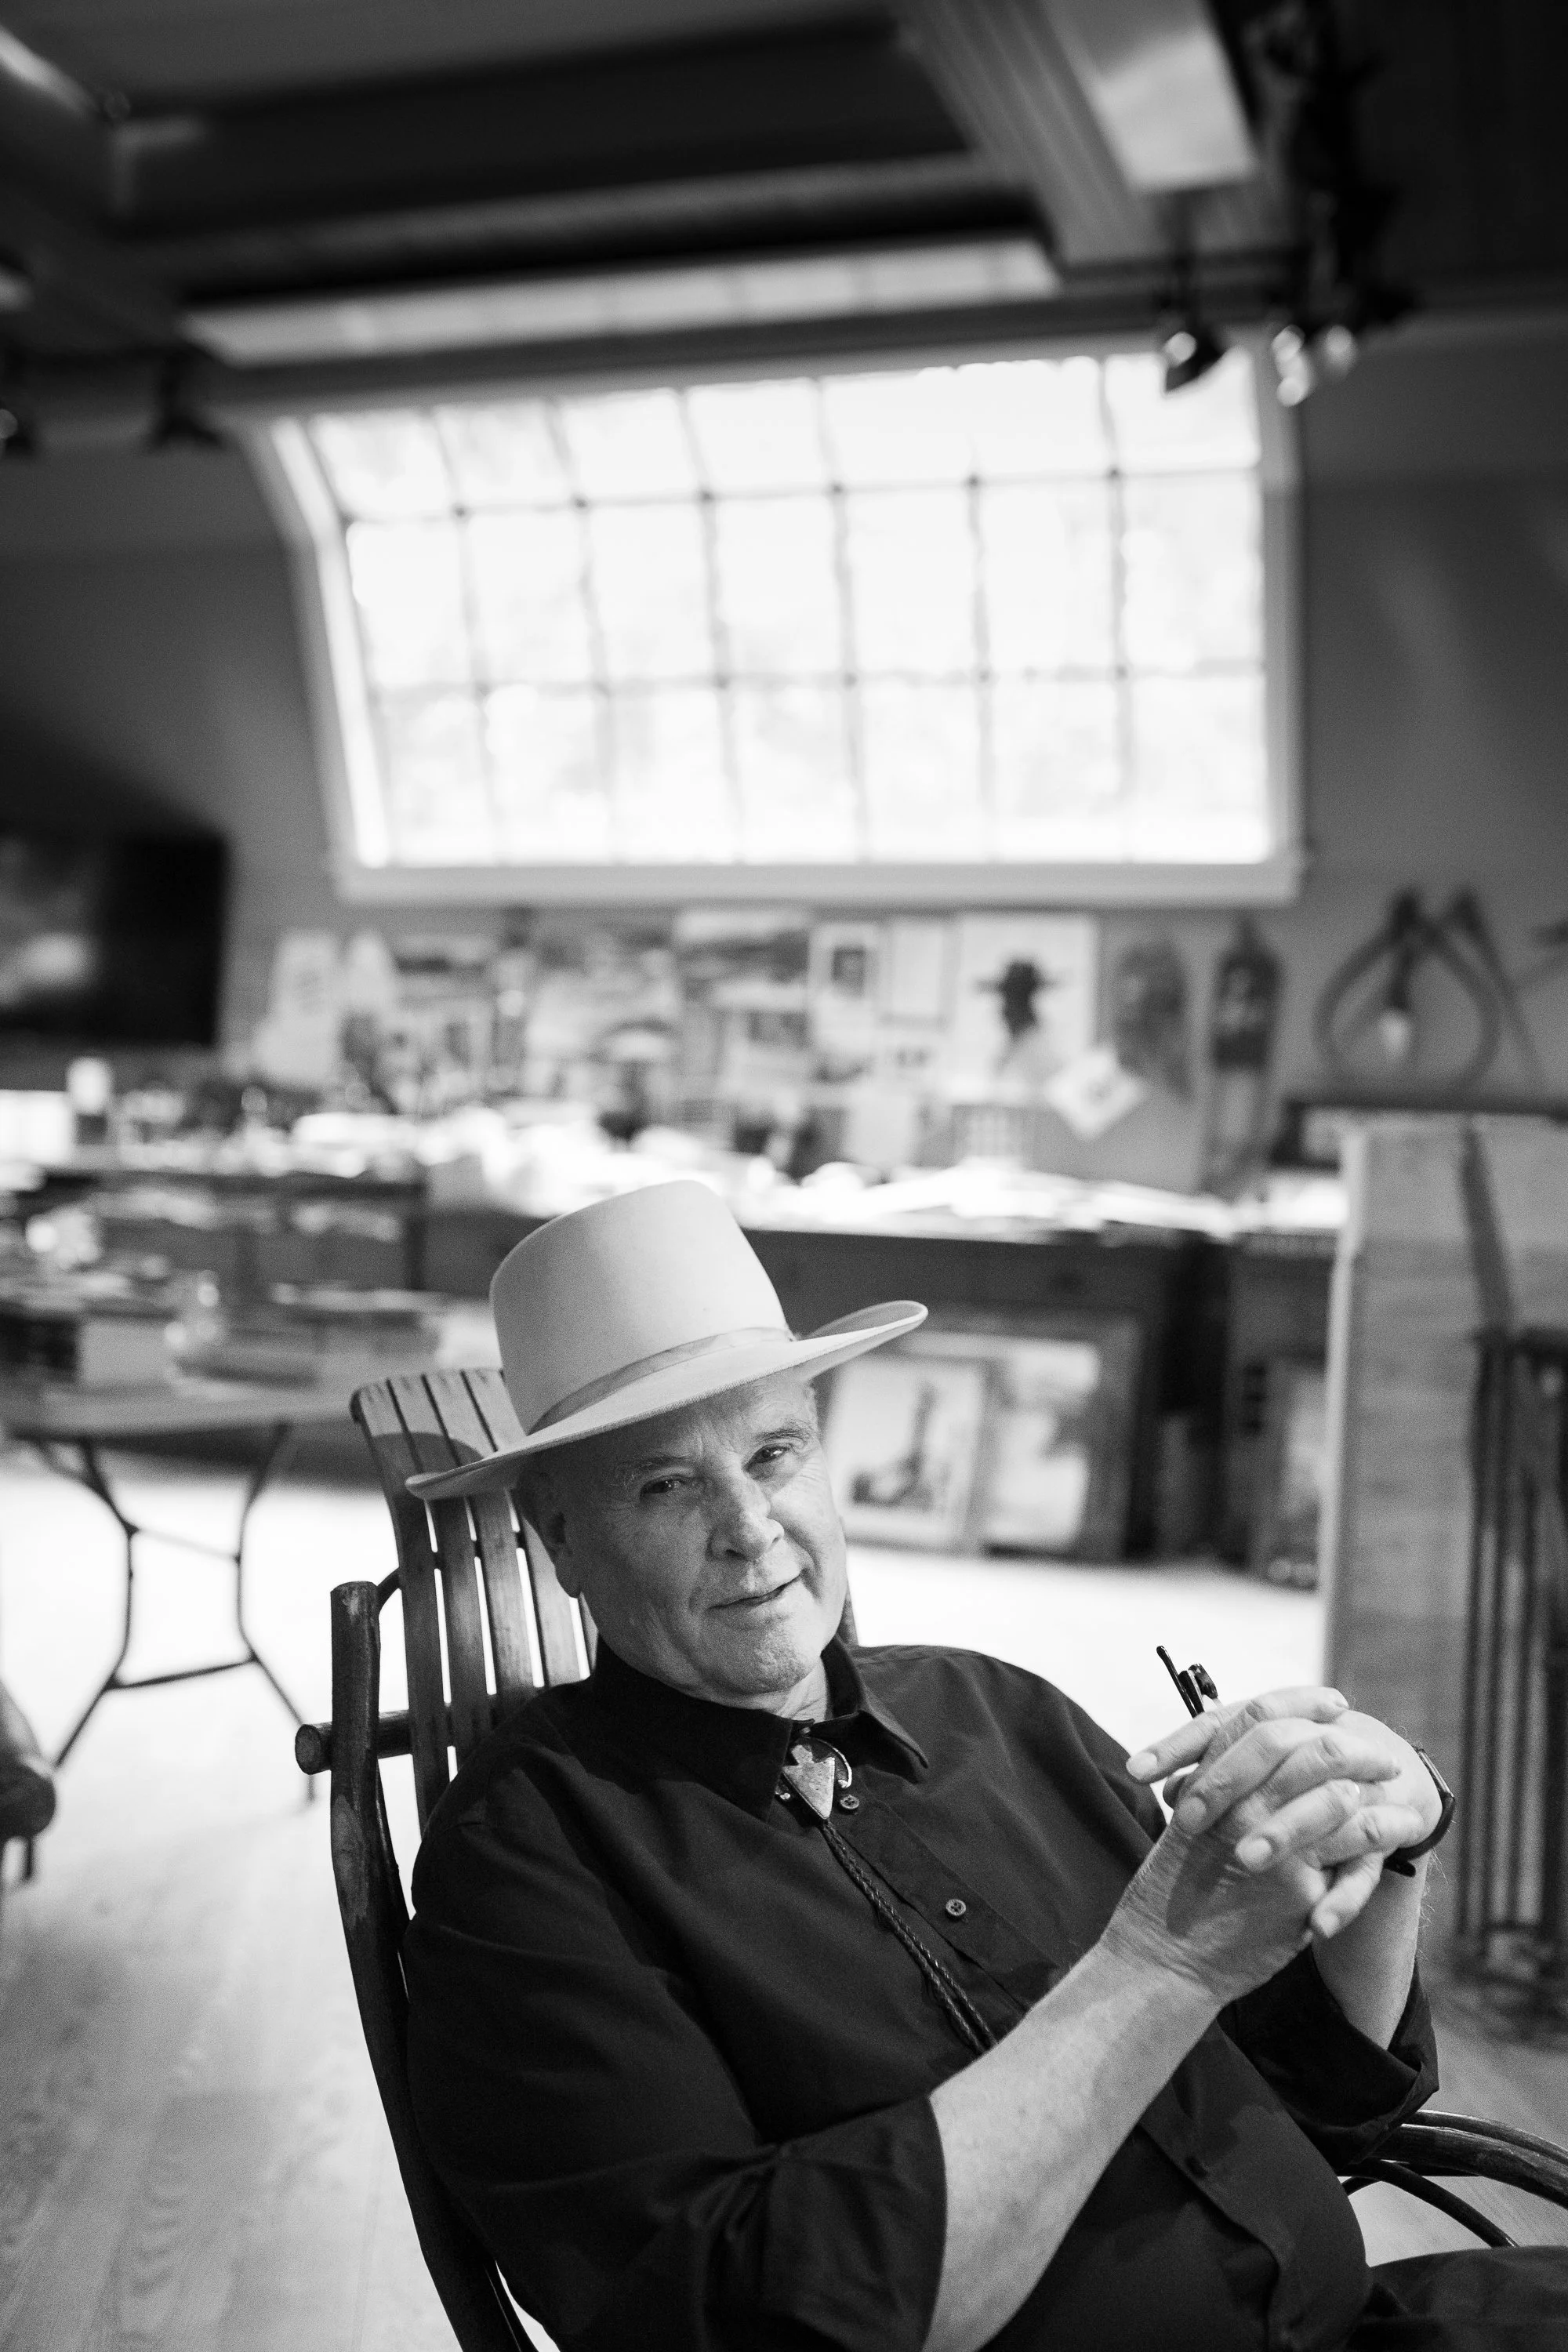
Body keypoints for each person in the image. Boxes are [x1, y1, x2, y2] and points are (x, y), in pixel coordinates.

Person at [401, 1181, 1568, 2352]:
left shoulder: (991, 1708)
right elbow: (743, 2315)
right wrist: (1154, 1971)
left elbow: (1308, 2106)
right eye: (667, 1484)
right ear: (559, 1537)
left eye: (775, 1453)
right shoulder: (529, 1857)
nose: (751, 1527)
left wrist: (1381, 1846)